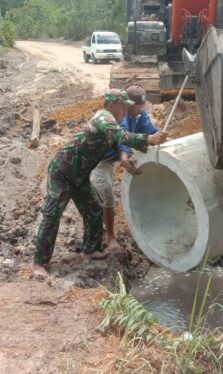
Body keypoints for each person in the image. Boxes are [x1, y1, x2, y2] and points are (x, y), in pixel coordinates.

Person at [32, 89, 168, 278]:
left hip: (80, 175)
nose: (125, 111)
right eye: (123, 107)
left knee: (94, 209)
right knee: (52, 216)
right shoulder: (103, 118)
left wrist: (146, 141)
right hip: (62, 172)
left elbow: (122, 142)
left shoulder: (114, 120)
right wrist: (147, 139)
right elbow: (121, 137)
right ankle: (40, 263)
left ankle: (90, 249)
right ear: (112, 106)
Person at [90, 86, 158, 253]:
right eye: (137, 108)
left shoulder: (140, 116)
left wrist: (169, 140)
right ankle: (109, 237)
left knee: (103, 196)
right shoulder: (119, 117)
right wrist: (124, 157)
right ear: (128, 105)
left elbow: (152, 132)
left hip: (110, 161)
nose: (141, 111)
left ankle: (102, 229)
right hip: (98, 161)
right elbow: (123, 138)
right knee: (106, 197)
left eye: (143, 108)